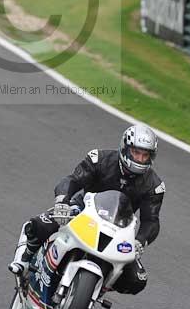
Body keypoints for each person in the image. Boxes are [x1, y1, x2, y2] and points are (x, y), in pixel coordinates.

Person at [9, 122, 165, 296]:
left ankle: (98, 287)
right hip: (83, 209)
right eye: (136, 152)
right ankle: (24, 258)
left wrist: (140, 240)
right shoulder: (99, 159)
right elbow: (72, 180)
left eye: (145, 155)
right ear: (125, 148)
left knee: (137, 280)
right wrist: (62, 202)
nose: (140, 159)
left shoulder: (155, 185)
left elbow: (151, 220)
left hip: (118, 226)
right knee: (39, 225)